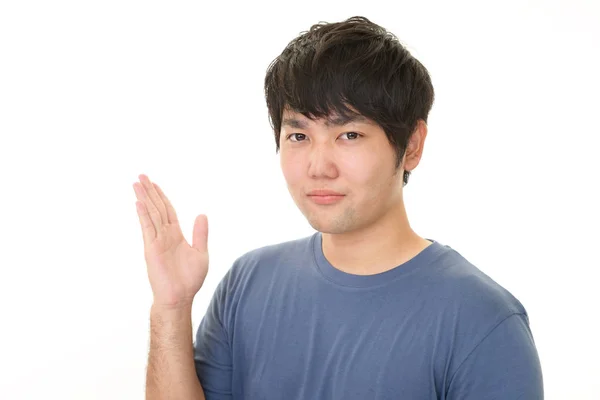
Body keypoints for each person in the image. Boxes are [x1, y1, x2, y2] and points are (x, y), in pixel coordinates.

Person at [134, 16, 544, 400]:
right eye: (298, 135)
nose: (318, 166)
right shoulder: (248, 282)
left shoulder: (483, 322)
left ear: (412, 146)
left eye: (349, 134)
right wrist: (171, 308)